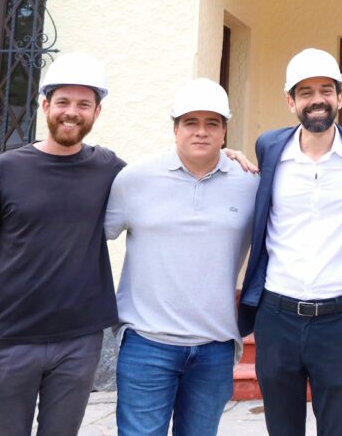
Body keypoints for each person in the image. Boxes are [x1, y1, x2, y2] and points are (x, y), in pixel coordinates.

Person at [0, 53, 124, 436]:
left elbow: (164, 181)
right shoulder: (7, 168)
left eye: (84, 104)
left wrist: (224, 158)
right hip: (11, 338)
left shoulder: (109, 168)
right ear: (45, 105)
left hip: (80, 342)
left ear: (97, 113)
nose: (72, 112)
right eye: (63, 102)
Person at [237, 48, 342, 436]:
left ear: (341, 97)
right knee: (282, 427)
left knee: (338, 428)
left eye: (326, 89)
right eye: (305, 92)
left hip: (340, 320)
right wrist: (222, 158)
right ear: (291, 101)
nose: (317, 99)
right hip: (276, 316)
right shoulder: (270, 147)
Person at [104, 78, 259, 436]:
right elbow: (87, 240)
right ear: (175, 129)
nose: (201, 132)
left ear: (225, 131)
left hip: (215, 347)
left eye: (212, 123)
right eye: (191, 122)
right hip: (146, 343)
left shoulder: (250, 183)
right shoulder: (134, 179)